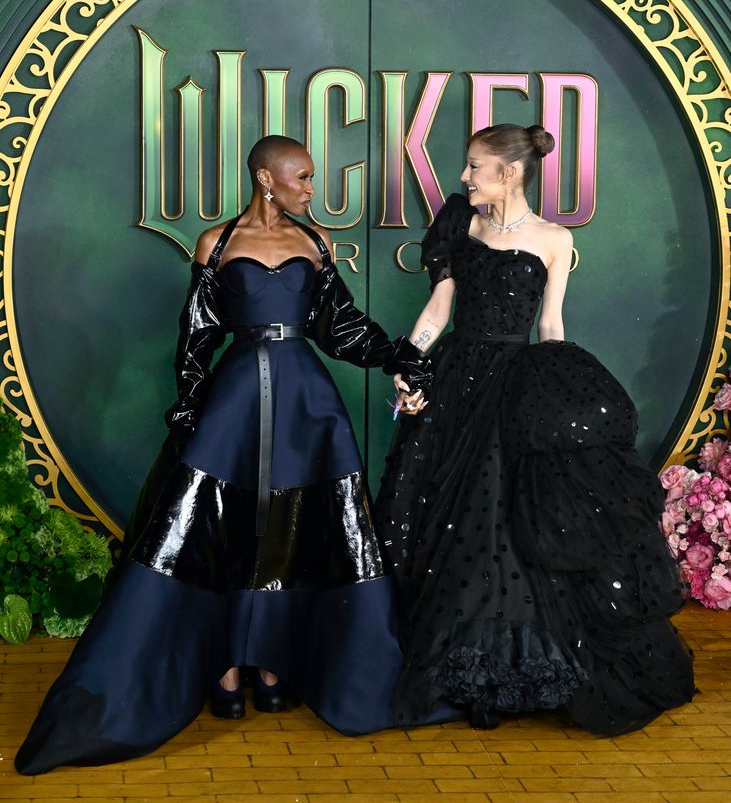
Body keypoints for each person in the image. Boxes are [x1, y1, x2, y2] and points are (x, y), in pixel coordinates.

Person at [16, 135, 432, 774]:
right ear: (266, 180)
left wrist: (398, 356)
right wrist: (187, 399)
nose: (310, 189)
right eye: (301, 177)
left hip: (306, 402)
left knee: (298, 528)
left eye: (310, 179)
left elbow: (340, 326)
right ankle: (229, 665)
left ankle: (272, 660)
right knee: (220, 527)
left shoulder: (315, 241)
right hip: (234, 399)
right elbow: (196, 332)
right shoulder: (216, 243)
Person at [375, 123, 695, 734]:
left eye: (474, 166)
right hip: (452, 382)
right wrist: (409, 368)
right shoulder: (458, 226)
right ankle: (454, 665)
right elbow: (439, 308)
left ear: (510, 172)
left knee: (497, 523)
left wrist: (561, 392)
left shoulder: (554, 238)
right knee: (438, 516)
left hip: (512, 386)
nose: (464, 177)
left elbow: (551, 323)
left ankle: (505, 670)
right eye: (467, 167)